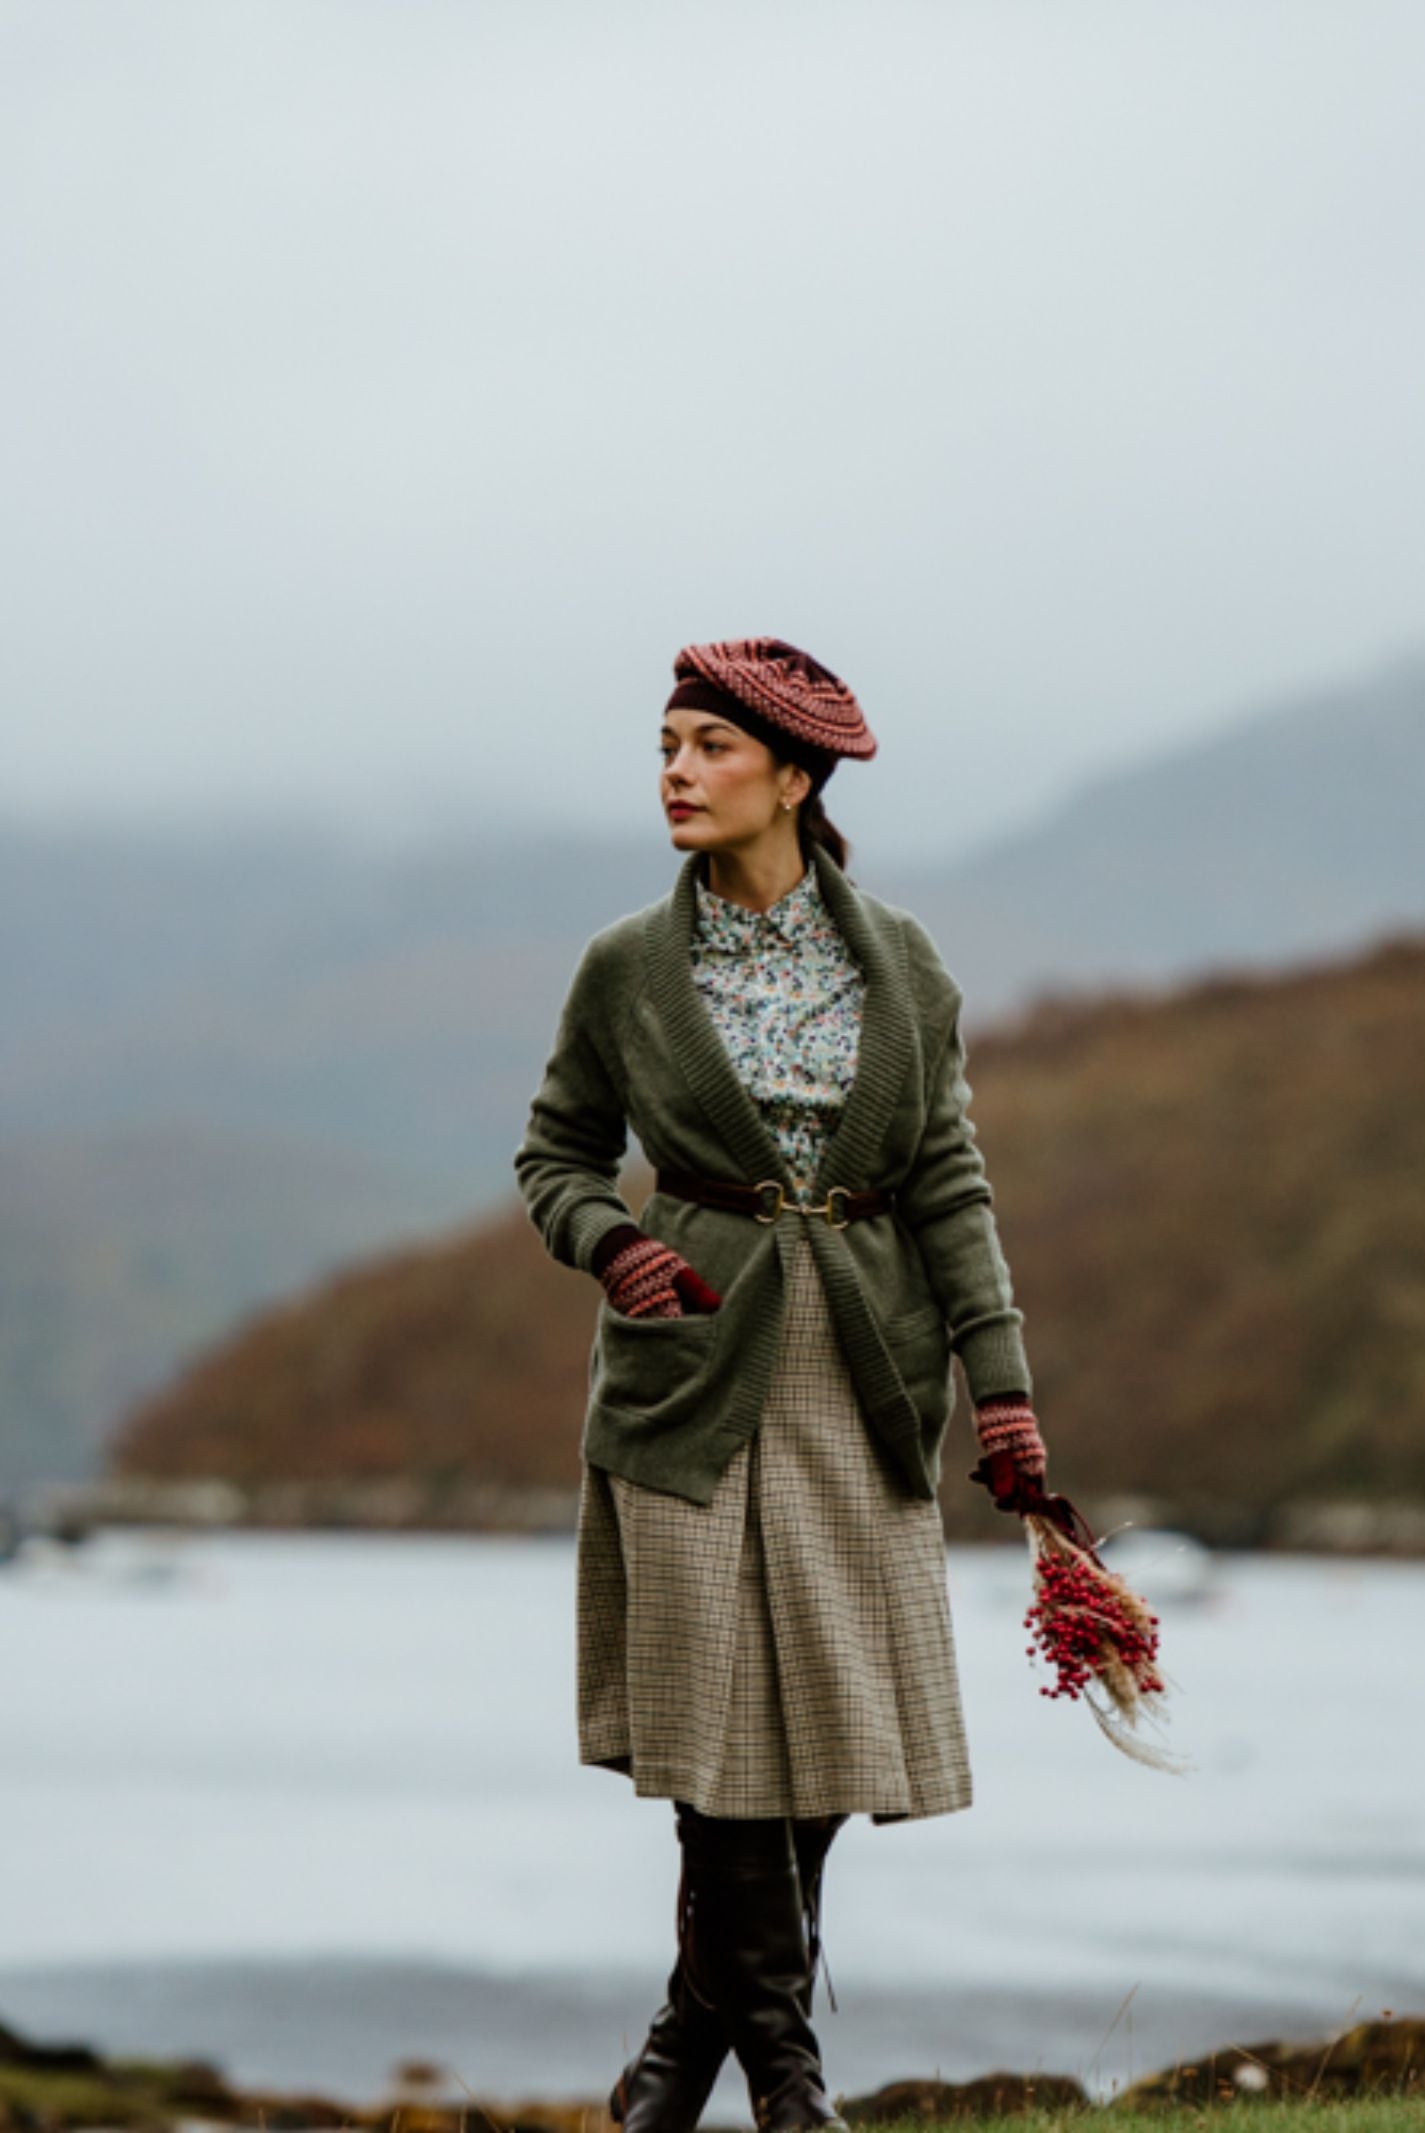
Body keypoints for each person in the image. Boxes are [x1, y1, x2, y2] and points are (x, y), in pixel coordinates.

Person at [512, 637, 1050, 2133]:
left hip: (866, 1380)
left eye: (710, 748)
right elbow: (553, 1158)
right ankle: (793, 2083)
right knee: (716, 1727)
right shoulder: (626, 965)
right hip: (686, 1383)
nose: (676, 772)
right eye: (668, 745)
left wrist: (1000, 1387)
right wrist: (614, 1243)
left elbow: (948, 1182)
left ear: (794, 778)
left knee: (814, 1729)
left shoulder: (905, 962)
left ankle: (682, 2051)